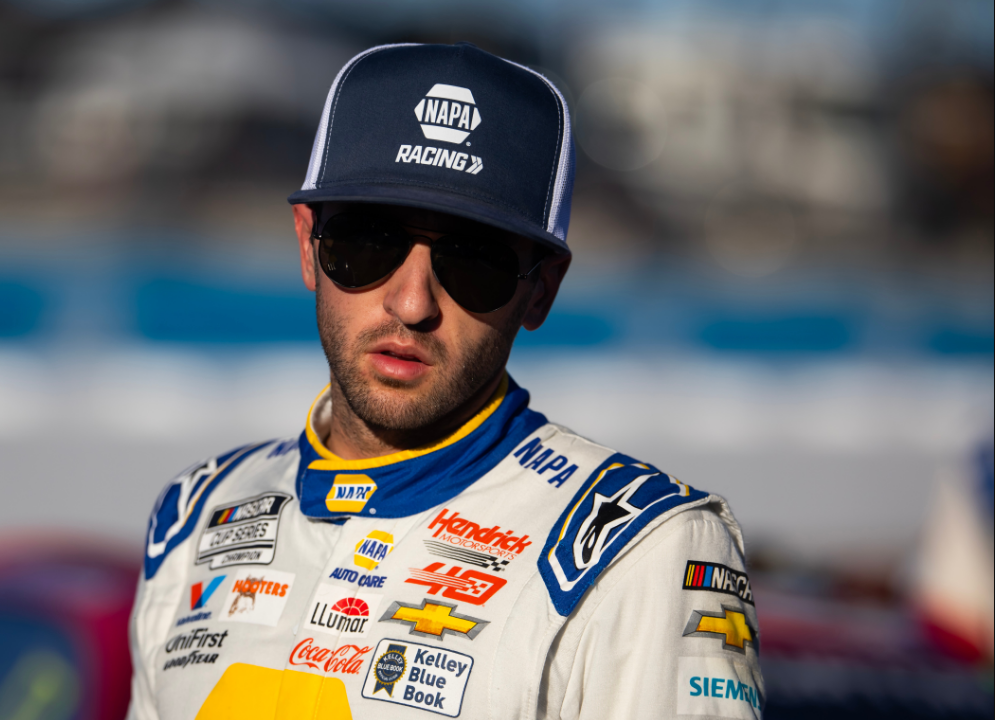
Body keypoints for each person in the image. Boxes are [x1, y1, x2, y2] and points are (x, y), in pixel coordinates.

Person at [130, 42, 762, 720]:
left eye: (475, 262)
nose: (411, 303)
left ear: (541, 290)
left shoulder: (642, 551)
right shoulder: (194, 517)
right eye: (365, 243)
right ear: (307, 243)